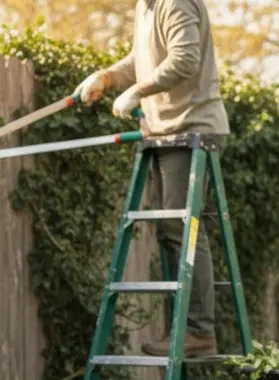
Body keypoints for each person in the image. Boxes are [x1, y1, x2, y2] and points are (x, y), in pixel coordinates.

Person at [74, 0, 227, 357]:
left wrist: (139, 91)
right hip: (166, 132)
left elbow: (184, 59)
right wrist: (109, 77)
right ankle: (184, 328)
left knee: (183, 227)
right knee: (170, 229)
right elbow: (141, 62)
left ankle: (199, 331)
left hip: (192, 129)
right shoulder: (148, 6)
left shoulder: (175, 2)